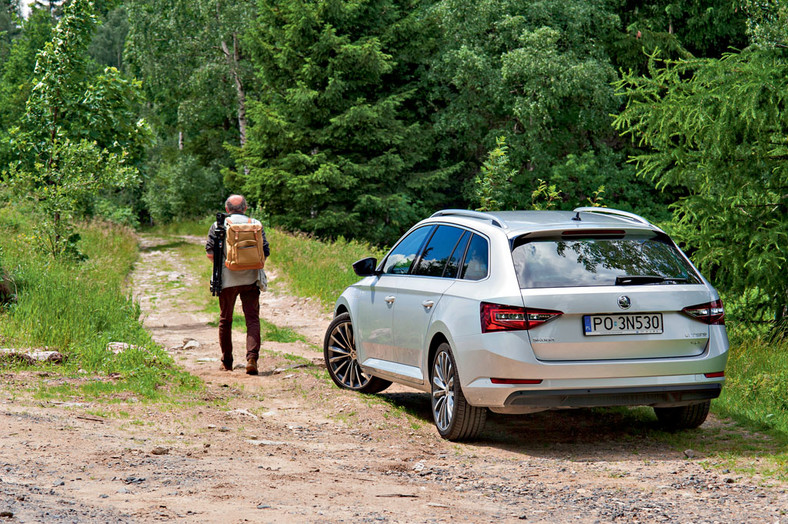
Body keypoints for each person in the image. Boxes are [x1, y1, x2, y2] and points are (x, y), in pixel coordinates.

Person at [206, 195, 270, 375]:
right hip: (251, 279)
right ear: (245, 207)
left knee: (225, 320)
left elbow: (210, 253)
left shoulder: (218, 225)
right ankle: (252, 359)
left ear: (227, 209)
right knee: (252, 319)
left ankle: (227, 362)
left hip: (227, 280)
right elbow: (265, 251)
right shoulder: (255, 224)